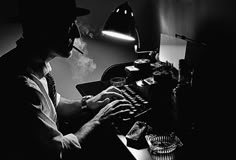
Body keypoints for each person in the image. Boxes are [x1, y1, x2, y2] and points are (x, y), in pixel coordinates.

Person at [0, 0, 133, 159]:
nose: (76, 33)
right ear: (44, 30)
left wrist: (87, 104)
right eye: (69, 25)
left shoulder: (33, 63)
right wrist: (98, 120)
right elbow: (60, 152)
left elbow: (54, 104)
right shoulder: (22, 87)